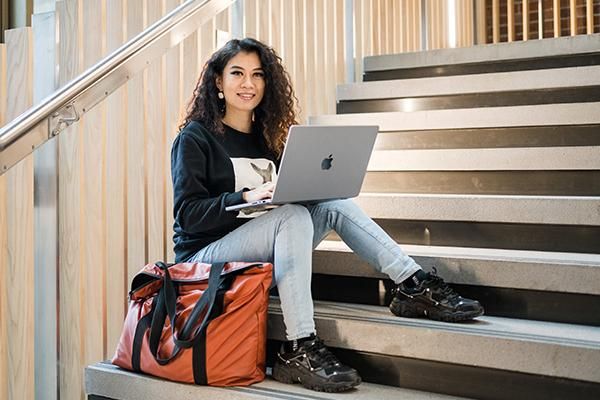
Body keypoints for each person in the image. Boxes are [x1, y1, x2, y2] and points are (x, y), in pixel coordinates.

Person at [171, 37, 484, 393]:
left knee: (333, 203)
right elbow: (188, 216)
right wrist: (245, 196)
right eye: (237, 73)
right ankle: (298, 347)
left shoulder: (267, 138)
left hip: (259, 251)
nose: (248, 84)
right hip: (204, 263)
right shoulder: (195, 138)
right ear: (218, 82)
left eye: (257, 75)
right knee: (292, 217)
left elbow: (283, 210)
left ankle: (411, 285)